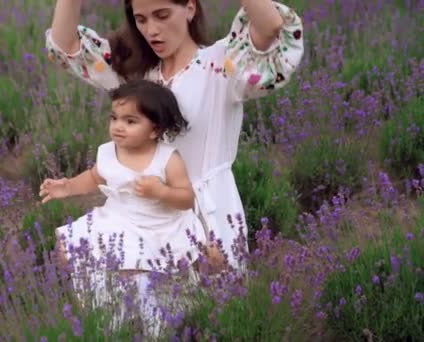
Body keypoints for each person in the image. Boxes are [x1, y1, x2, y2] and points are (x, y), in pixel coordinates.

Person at [44, 0, 304, 269]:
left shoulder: (220, 64)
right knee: (100, 276)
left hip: (203, 213)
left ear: (190, 8)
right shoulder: (137, 74)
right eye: (141, 20)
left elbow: (272, 26)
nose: (151, 30)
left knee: (201, 305)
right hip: (142, 214)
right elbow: (65, 46)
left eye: (162, 15)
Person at [40, 79, 208, 335]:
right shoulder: (108, 152)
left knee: (137, 265)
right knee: (68, 248)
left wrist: (161, 191)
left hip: (157, 223)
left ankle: (146, 309)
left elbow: (186, 198)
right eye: (114, 118)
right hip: (118, 216)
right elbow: (95, 177)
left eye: (130, 121)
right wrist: (68, 187)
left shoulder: (167, 158)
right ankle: (105, 306)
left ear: (154, 130)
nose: (118, 127)